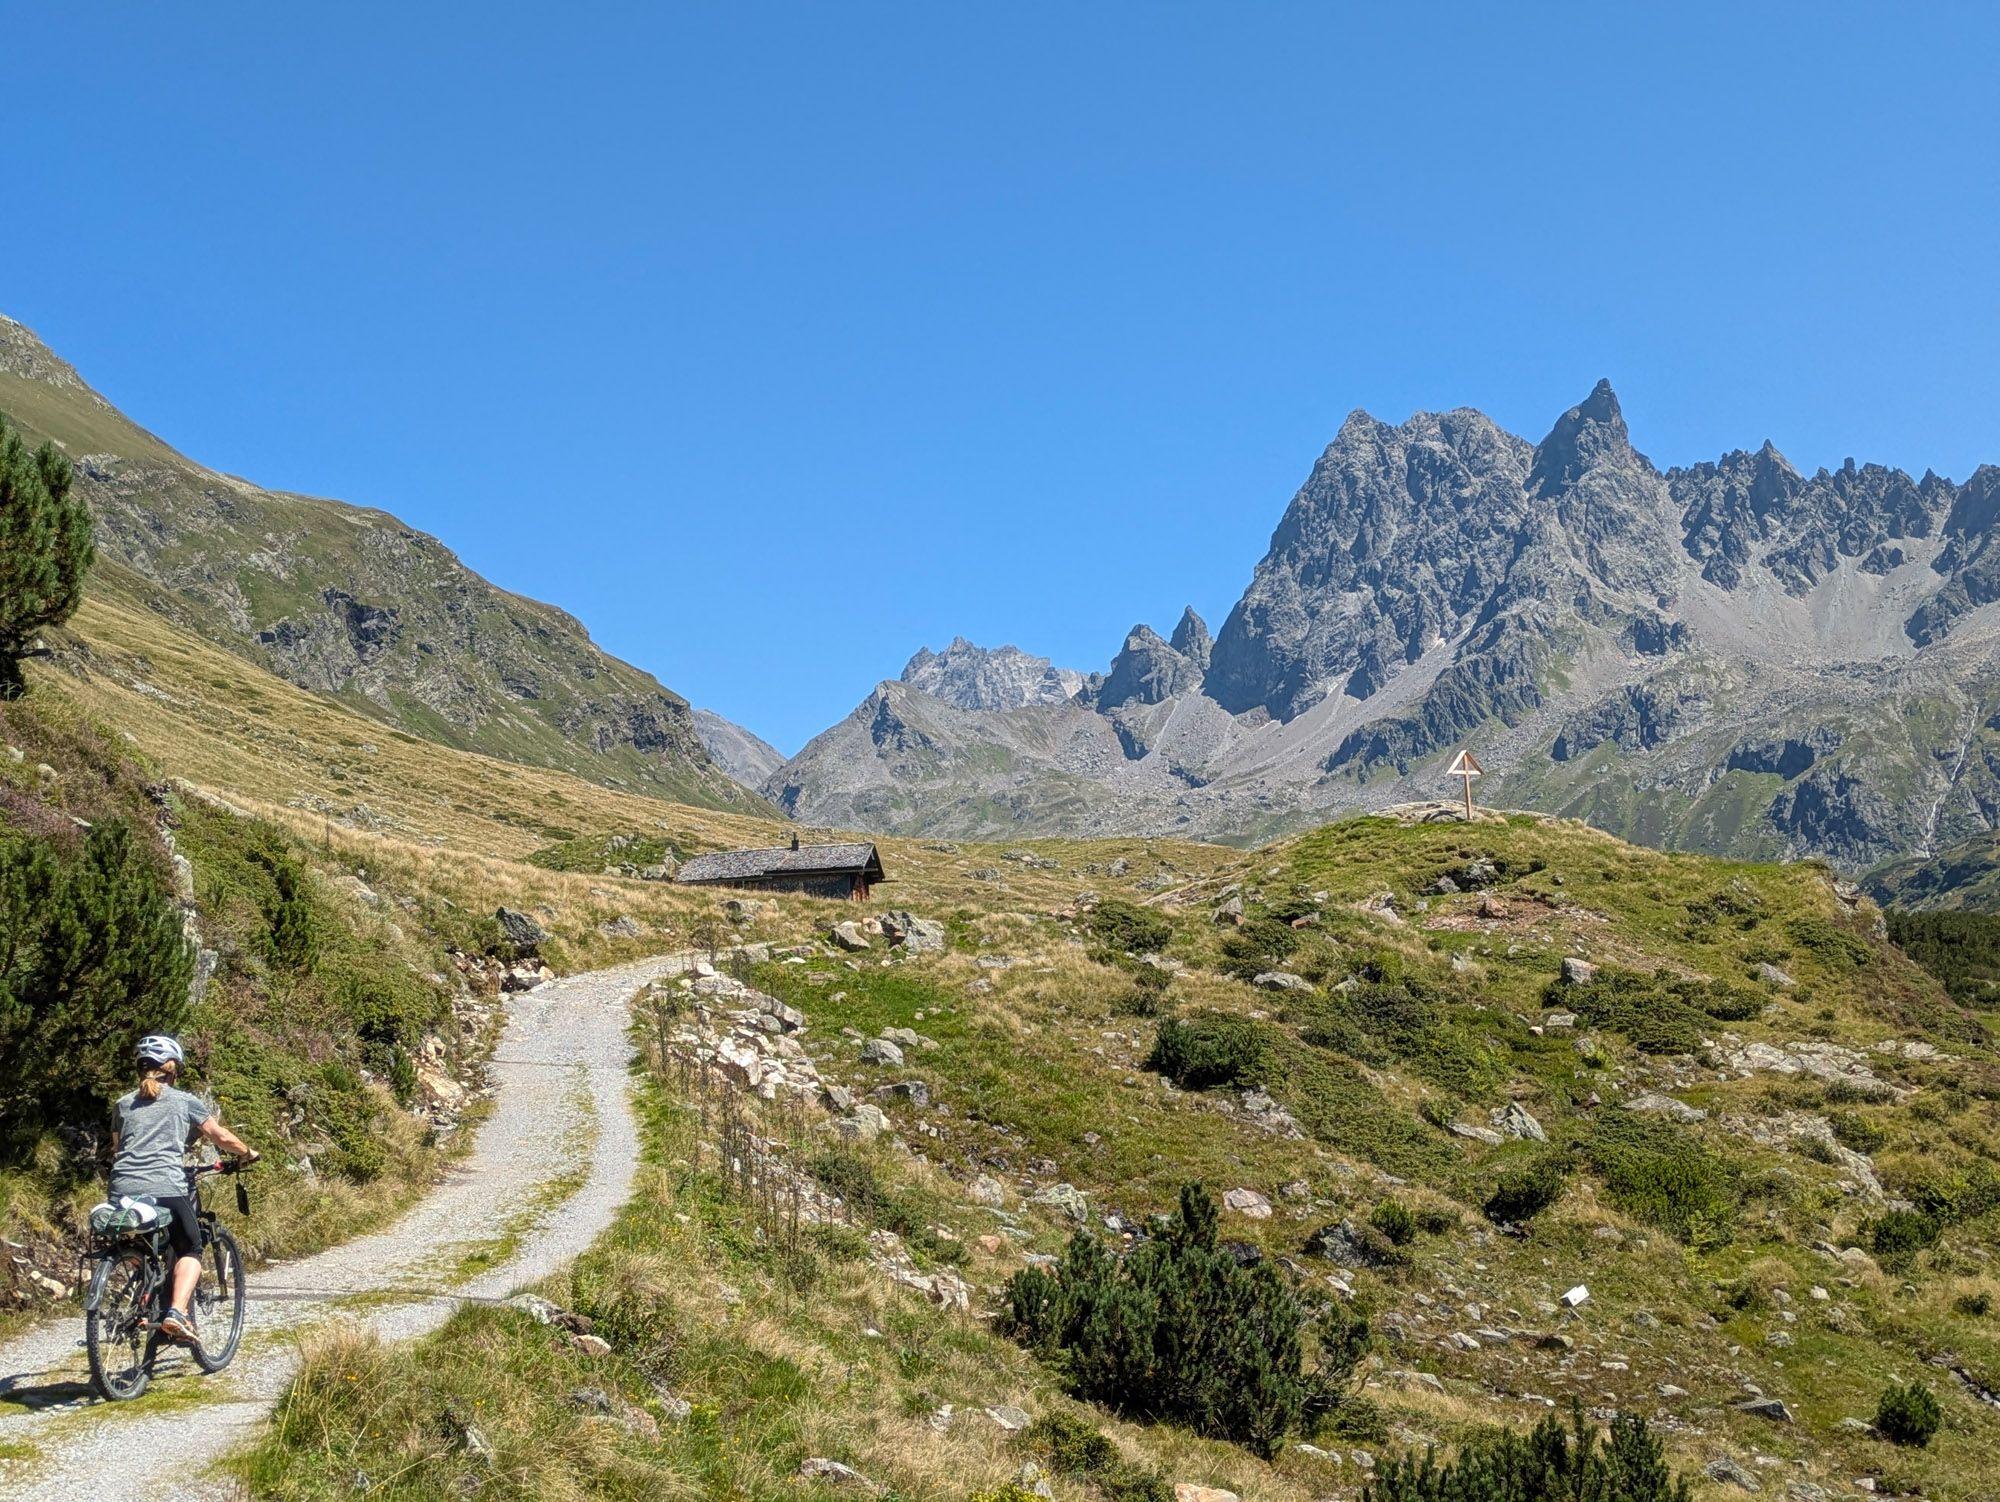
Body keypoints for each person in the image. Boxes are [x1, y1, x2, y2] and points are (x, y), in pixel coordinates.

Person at [108, 1035, 258, 1344]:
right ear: (172, 1069)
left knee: (145, 1243)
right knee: (191, 1246)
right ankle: (176, 1312)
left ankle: (143, 1297)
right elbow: (220, 1136)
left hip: (121, 1187)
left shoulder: (122, 1104)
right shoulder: (183, 1100)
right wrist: (246, 1153)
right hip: (165, 1184)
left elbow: (118, 1149)